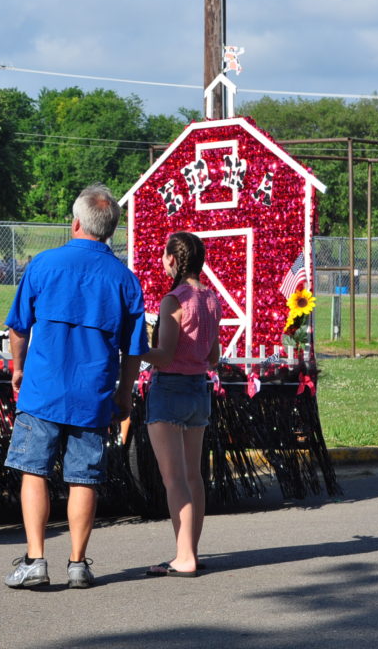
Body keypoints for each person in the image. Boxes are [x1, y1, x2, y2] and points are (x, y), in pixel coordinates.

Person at [3, 183, 148, 589]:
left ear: (76, 222)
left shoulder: (44, 264)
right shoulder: (124, 279)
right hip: (93, 392)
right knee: (83, 477)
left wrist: (19, 367)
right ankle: (78, 563)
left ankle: (35, 560)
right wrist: (123, 393)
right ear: (110, 229)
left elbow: (18, 327)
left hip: (43, 387)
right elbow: (134, 349)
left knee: (34, 471)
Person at [141, 231, 222, 578]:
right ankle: (190, 550)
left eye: (164, 255)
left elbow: (164, 355)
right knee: (193, 476)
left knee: (174, 479)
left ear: (173, 260)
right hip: (198, 390)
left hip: (170, 391)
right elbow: (214, 356)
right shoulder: (210, 299)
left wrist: (134, 348)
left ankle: (184, 556)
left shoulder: (173, 300)